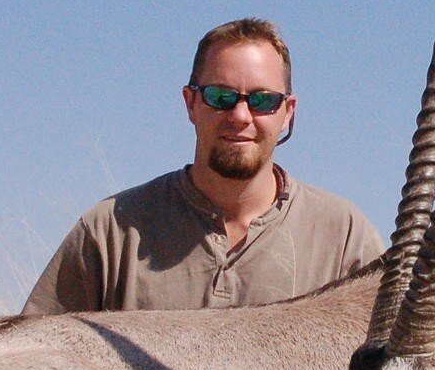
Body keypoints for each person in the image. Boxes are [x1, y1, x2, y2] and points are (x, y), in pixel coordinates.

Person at [23, 18, 384, 315]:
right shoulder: (109, 230)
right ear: (191, 103)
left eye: (262, 101)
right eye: (220, 97)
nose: (240, 116)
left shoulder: (345, 235)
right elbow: (37, 359)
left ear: (288, 112)